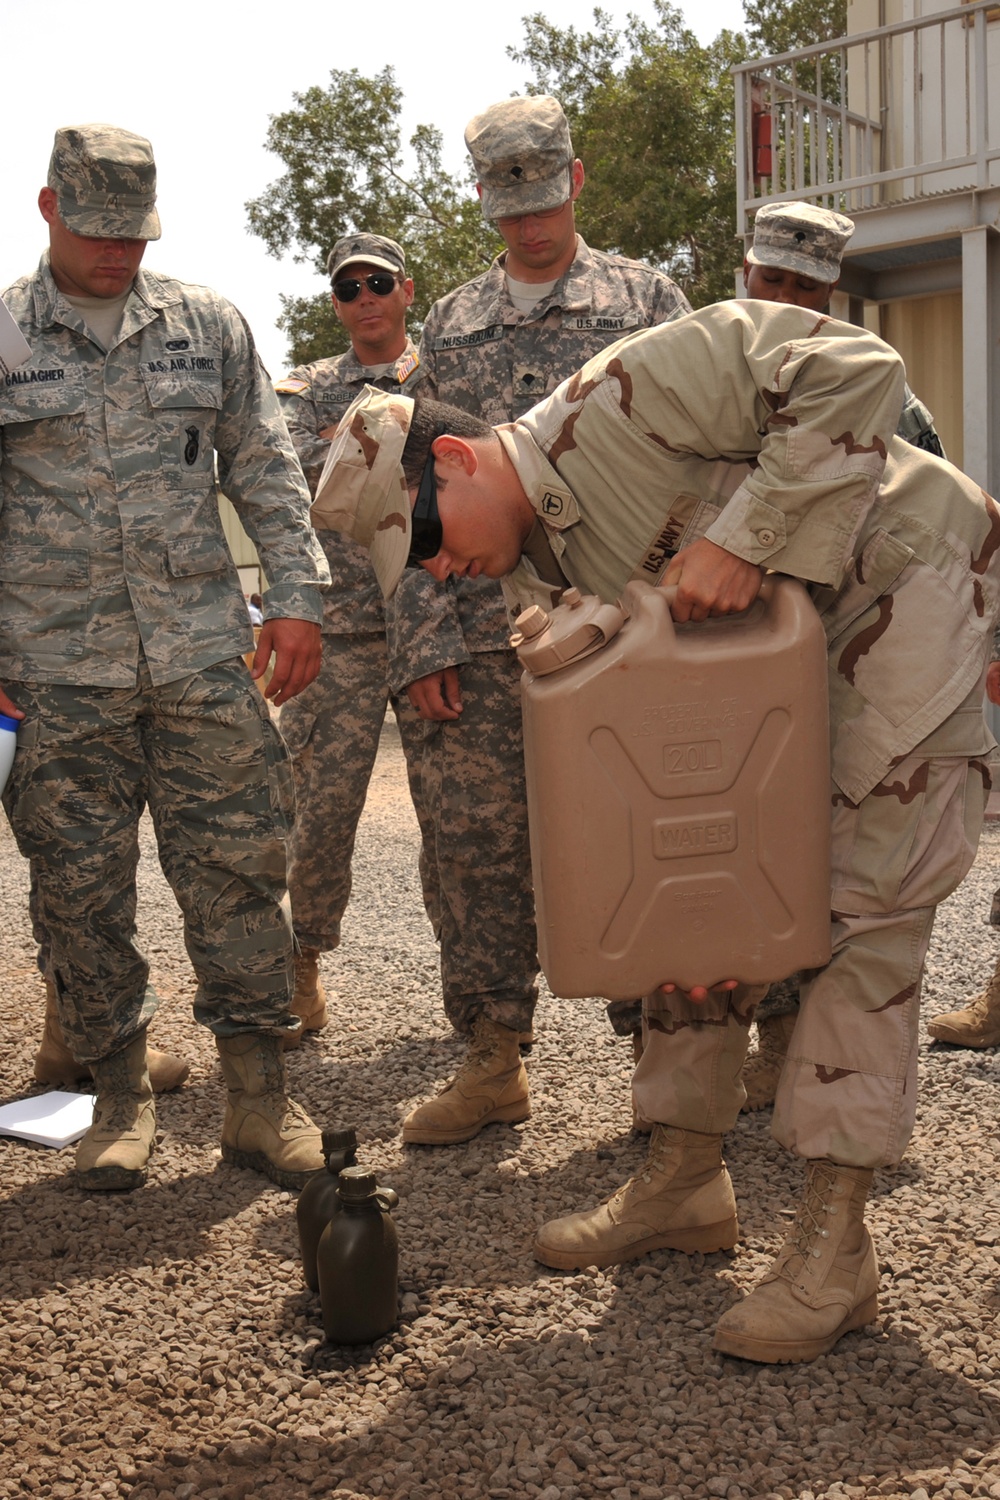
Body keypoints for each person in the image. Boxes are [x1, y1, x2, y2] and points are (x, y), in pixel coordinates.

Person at [318, 298, 1000, 1363]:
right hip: (782, 669)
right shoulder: (543, 564)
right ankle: (685, 1180)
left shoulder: (633, 390)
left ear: (453, 459)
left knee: (866, 927)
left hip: (901, 606)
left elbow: (859, 367)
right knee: (693, 902)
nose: (437, 571)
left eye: (428, 538)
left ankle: (836, 1255)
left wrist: (744, 534)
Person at [0, 124, 331, 1193]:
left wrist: (295, 597)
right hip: (53, 674)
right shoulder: (4, 335)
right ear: (50, 209)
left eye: (132, 234)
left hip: (200, 660)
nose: (115, 253)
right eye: (95, 231)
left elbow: (265, 468)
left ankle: (258, 1105)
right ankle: (117, 1102)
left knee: (240, 877)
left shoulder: (207, 324)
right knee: (79, 895)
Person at [385, 94, 690, 1144]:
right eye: (509, 205)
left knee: (632, 831)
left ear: (576, 180)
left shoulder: (648, 299)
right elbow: (422, 493)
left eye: (545, 196)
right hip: (477, 629)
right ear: (482, 200)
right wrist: (421, 638)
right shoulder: (452, 323)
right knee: (472, 849)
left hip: (620, 621)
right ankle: (490, 1055)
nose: (531, 222)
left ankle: (665, 1067)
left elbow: (695, 463)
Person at [739, 199, 948, 1106]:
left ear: (833, 294)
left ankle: (826, 1061)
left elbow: (943, 528)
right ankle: (756, 1040)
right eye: (768, 280)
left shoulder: (893, 403)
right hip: (739, 660)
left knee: (845, 865)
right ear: (744, 276)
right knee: (744, 843)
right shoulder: (718, 376)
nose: (783, 298)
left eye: (802, 286)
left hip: (851, 660)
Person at [274, 233, 434, 1041]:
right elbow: (302, 473)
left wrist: (364, 451)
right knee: (318, 814)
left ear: (407, 290)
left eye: (378, 283)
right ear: (336, 304)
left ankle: (474, 991)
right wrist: (411, 452)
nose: (365, 298)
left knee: (457, 818)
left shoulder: (449, 366)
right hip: (337, 633)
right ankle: (301, 966)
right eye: (349, 289)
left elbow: (477, 454)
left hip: (436, 624)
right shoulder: (304, 388)